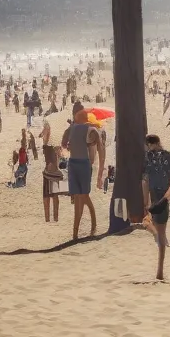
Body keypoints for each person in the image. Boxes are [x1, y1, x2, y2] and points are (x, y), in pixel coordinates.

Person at [60, 102, 105, 241]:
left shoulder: (90, 129)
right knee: (80, 198)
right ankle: (79, 231)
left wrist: (99, 175)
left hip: (83, 165)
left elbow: (99, 151)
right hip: (74, 164)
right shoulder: (72, 129)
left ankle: (85, 229)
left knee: (83, 197)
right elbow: (63, 144)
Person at [143, 135, 170, 281]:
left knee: (151, 226)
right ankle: (160, 270)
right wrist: (168, 196)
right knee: (158, 229)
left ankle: (160, 271)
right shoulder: (167, 157)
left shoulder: (148, 158)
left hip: (156, 195)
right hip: (163, 196)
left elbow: (145, 181)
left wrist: (146, 202)